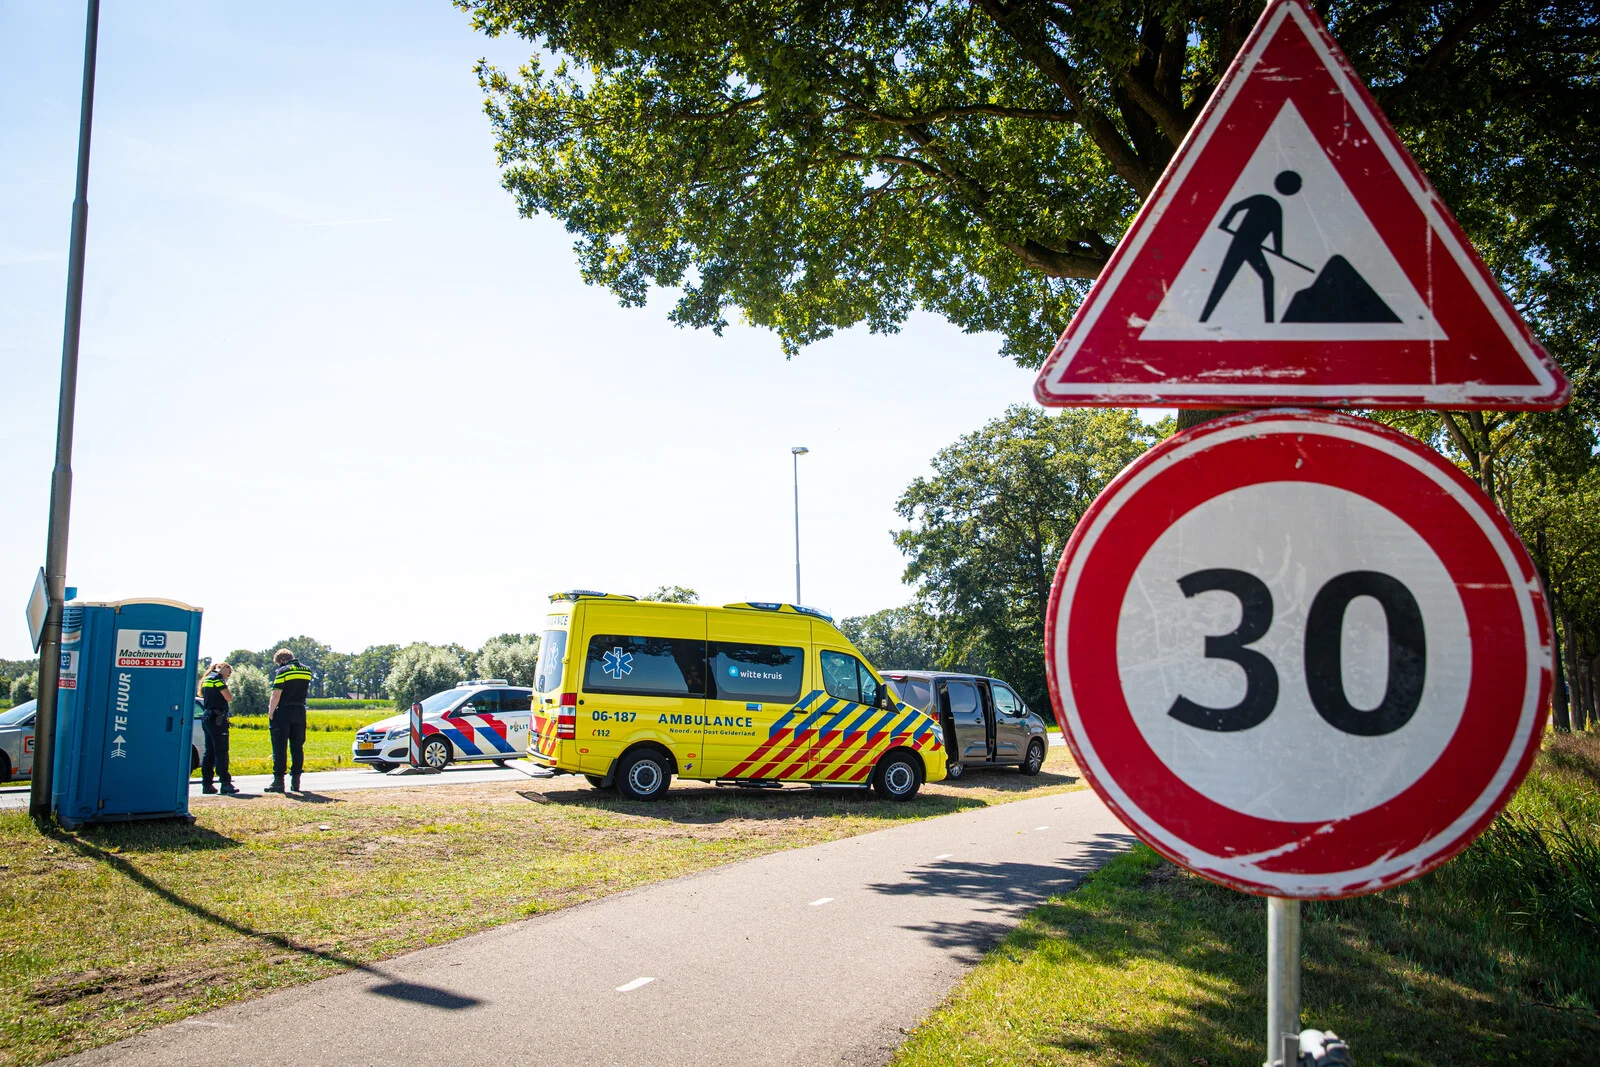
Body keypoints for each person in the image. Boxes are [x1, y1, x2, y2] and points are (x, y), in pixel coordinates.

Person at [1199, 169, 1303, 324]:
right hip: (1241, 242)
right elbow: (1236, 207)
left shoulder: (1272, 206)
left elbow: (1277, 233)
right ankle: (1204, 318)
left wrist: (1278, 252)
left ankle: (1268, 322)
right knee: (1225, 278)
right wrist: (1224, 225)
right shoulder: (1266, 202)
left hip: (1251, 246)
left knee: (1258, 278)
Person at [266, 648, 313, 793]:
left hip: (284, 711)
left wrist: (271, 712)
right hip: (300, 711)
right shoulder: (307, 671)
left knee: (279, 747)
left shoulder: (283, 671)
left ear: (281, 660)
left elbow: (276, 694)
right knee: (297, 747)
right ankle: (296, 781)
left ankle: (278, 781)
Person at [198, 662, 238, 794]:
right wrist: (226, 686)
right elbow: (228, 697)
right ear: (220, 667)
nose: (229, 674)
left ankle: (207, 784)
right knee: (221, 750)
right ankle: (225, 783)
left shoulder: (207, 680)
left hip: (207, 716)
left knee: (209, 751)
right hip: (217, 718)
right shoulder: (218, 680)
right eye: (229, 670)